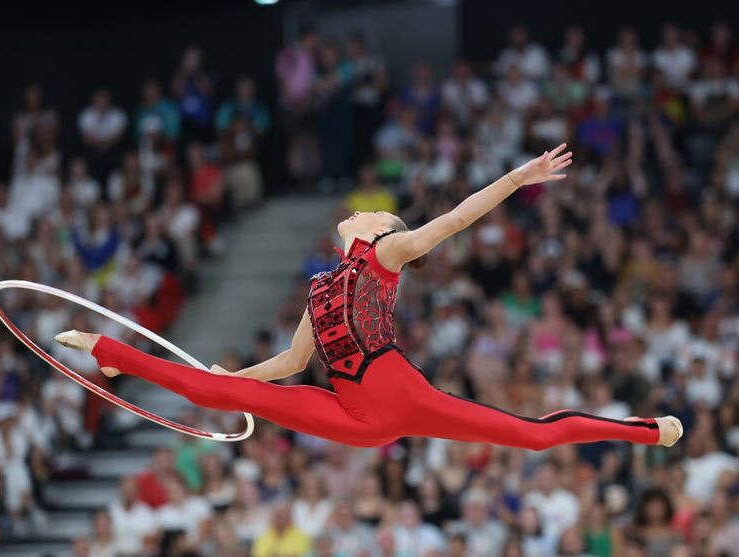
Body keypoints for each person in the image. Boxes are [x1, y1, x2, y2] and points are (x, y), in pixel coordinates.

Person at [54, 144, 682, 450]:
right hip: (352, 416)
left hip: (400, 394)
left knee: (535, 437)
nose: (364, 210)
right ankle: (111, 353)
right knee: (220, 390)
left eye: (373, 210)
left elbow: (456, 220)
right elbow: (293, 364)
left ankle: (646, 432)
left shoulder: (384, 255)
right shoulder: (322, 287)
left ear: (381, 231)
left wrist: (519, 177)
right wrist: (238, 377)